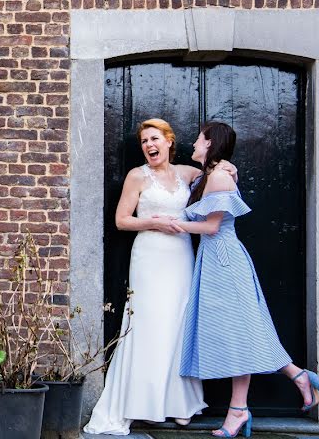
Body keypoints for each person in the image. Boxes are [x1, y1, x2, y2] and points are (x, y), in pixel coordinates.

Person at [170, 121, 319, 438]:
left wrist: (171, 224)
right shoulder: (209, 175)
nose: (193, 145)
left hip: (224, 259)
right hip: (213, 260)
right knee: (241, 330)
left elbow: (212, 227)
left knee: (236, 332)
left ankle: (239, 409)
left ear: (210, 143)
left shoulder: (218, 177)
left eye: (198, 140)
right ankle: (297, 374)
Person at [85, 118, 234, 435]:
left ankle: (181, 404)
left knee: (178, 323)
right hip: (150, 255)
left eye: (154, 139)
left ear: (169, 141)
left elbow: (217, 174)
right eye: (144, 142)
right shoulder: (137, 176)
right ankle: (145, 403)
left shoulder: (187, 174)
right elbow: (122, 220)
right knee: (150, 323)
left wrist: (228, 166)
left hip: (180, 255)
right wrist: (153, 223)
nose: (149, 146)